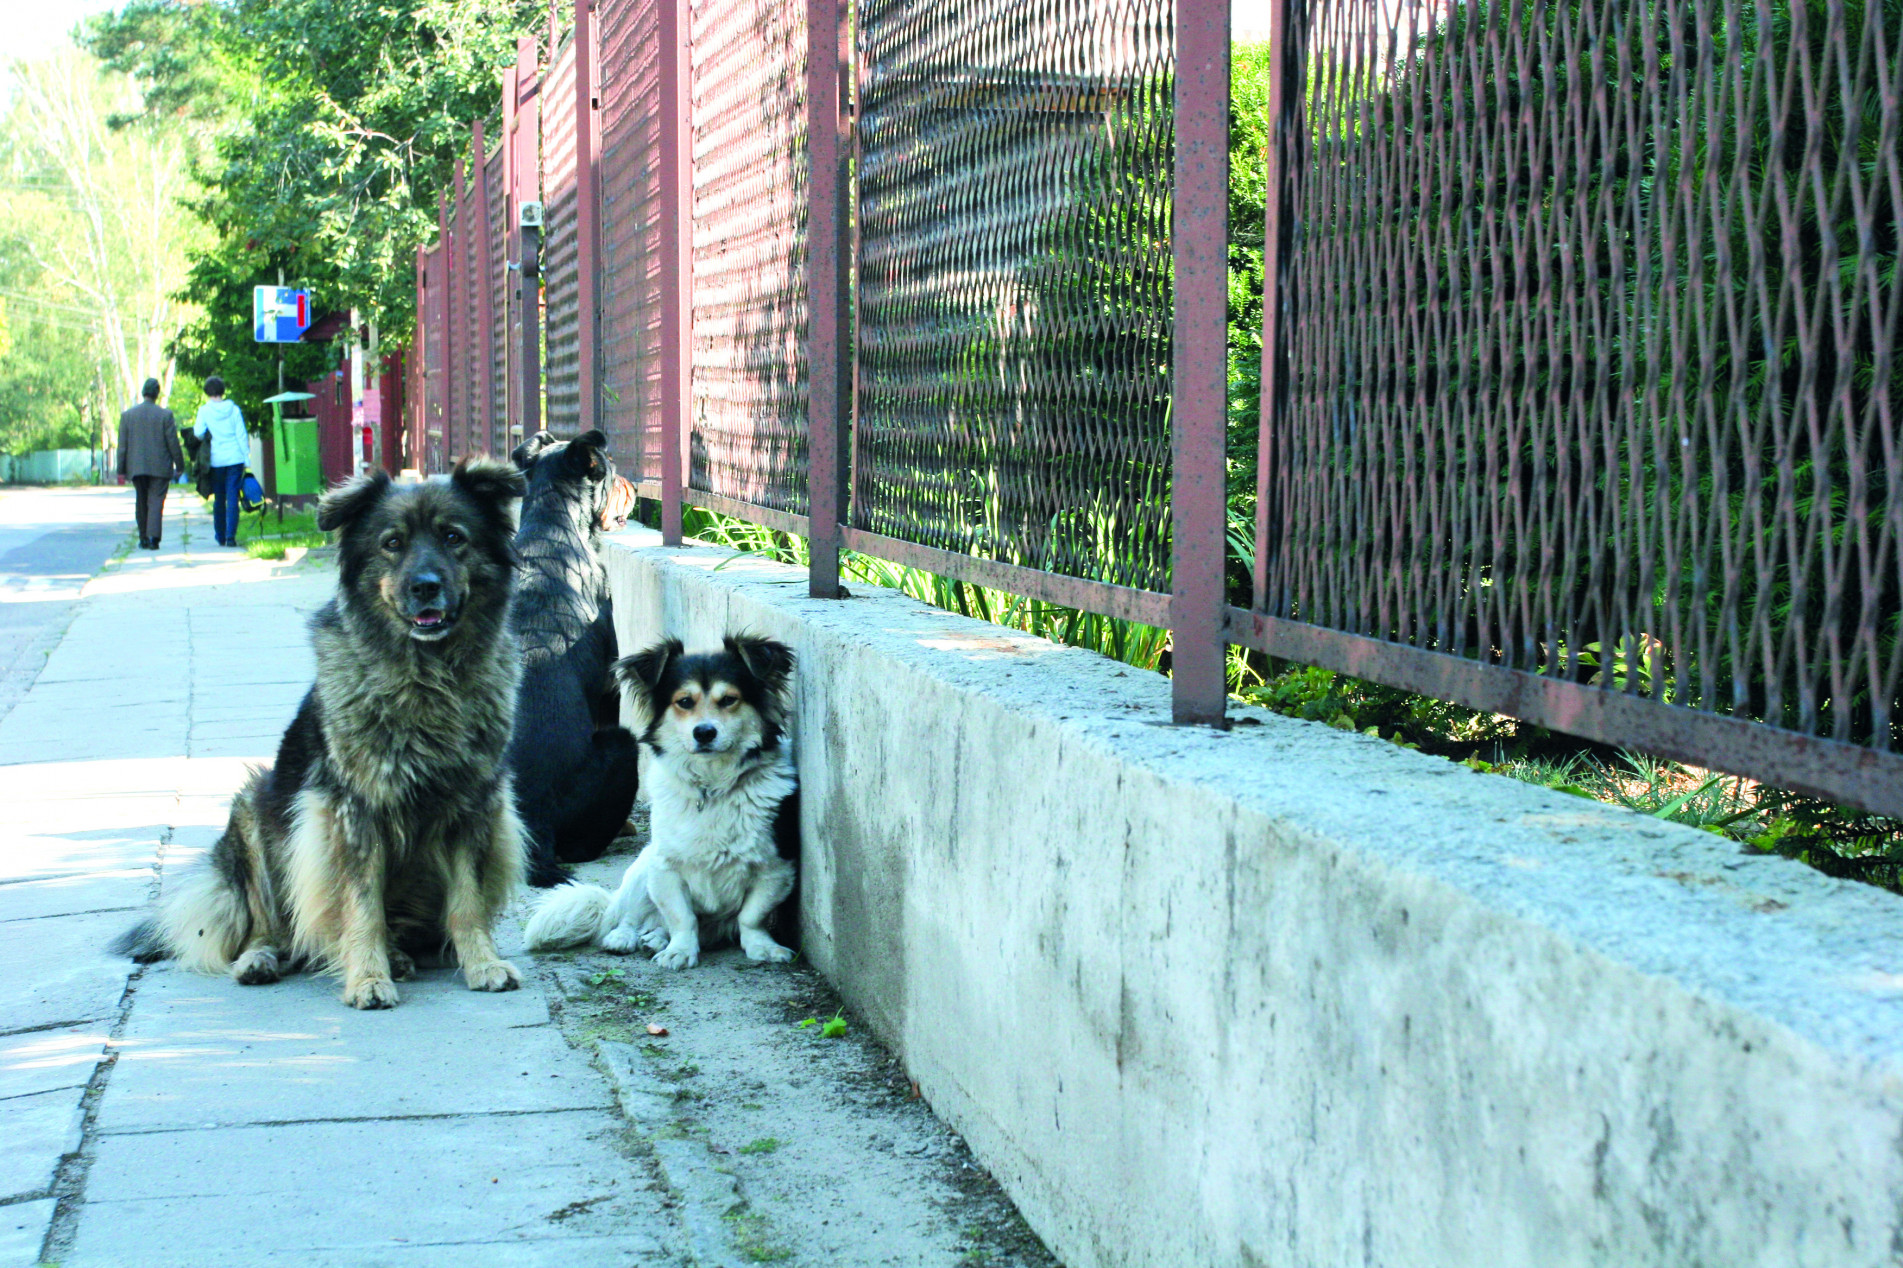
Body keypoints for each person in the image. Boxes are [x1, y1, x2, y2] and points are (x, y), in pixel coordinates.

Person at [117, 378, 183, 550]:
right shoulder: (165, 415)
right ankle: (153, 538)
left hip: (136, 467)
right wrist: (180, 465)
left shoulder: (128, 416)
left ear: (143, 392)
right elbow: (173, 443)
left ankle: (143, 538)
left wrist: (121, 471)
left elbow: (122, 446)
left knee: (141, 501)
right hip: (160, 467)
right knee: (155, 502)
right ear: (157, 394)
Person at [193, 376, 249, 547]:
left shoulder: (204, 411)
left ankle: (220, 535)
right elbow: (241, 435)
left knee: (219, 498)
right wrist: (246, 459)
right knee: (233, 497)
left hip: (216, 460)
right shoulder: (234, 409)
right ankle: (231, 536)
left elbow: (198, 432)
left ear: (208, 392)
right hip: (235, 458)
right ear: (223, 391)